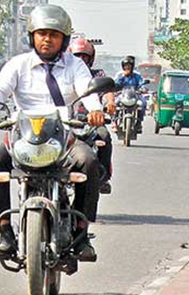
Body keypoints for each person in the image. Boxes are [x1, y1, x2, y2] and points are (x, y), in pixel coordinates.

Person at [0, 4, 105, 262]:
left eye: (54, 34)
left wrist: (95, 110)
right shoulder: (18, 65)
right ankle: (4, 233)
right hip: (24, 136)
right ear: (32, 36)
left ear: (63, 39)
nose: (47, 39)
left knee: (89, 161)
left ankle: (81, 233)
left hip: (63, 136)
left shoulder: (75, 66)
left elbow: (86, 90)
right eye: (42, 33)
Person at [68, 37, 115, 195]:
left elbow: (108, 91)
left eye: (84, 56)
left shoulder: (97, 74)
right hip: (66, 122)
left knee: (104, 136)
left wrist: (110, 103)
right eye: (77, 56)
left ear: (91, 58)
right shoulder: (65, 73)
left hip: (92, 122)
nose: (81, 59)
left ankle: (103, 177)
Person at [114, 56, 146, 133]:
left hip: (135, 95)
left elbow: (142, 83)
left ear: (132, 66)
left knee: (143, 103)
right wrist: (122, 77)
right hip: (122, 95)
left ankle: (139, 123)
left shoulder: (136, 75)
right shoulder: (119, 75)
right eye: (126, 65)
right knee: (115, 104)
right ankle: (114, 123)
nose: (127, 67)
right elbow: (115, 84)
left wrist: (144, 89)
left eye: (129, 65)